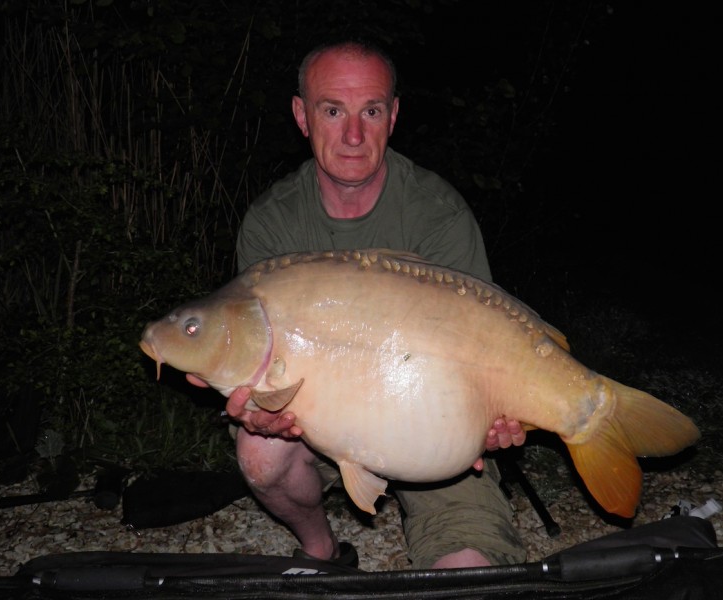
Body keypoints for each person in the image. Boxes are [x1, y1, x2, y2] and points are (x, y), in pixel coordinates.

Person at [191, 39, 528, 570]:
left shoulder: (438, 216)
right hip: (325, 429)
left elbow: (488, 348)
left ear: (393, 116)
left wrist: (496, 411)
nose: (353, 135)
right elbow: (262, 364)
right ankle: (323, 551)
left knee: (467, 578)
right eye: (333, 110)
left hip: (436, 434)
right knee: (260, 452)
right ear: (302, 115)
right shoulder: (274, 223)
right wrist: (262, 411)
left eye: (370, 111)